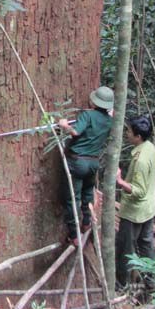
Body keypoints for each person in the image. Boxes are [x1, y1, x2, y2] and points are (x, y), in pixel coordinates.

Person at [58, 85, 114, 241]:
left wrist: (64, 125)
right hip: (93, 163)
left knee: (72, 198)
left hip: (77, 162)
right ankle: (87, 223)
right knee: (88, 193)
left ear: (95, 102)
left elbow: (75, 132)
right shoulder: (110, 121)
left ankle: (74, 235)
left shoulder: (87, 115)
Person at [115, 115, 155, 289]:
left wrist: (119, 181)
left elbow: (138, 192)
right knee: (146, 245)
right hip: (148, 208)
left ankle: (120, 285)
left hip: (134, 213)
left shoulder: (140, 161)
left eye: (129, 131)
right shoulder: (150, 147)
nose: (126, 133)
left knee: (125, 249)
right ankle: (151, 283)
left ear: (138, 136)